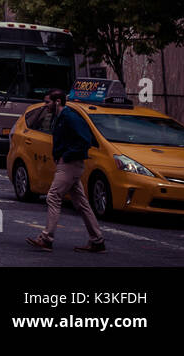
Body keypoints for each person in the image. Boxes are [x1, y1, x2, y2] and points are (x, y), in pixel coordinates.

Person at [26, 90, 106, 253]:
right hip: (69, 164)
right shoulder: (61, 117)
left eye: (47, 102)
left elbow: (85, 140)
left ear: (57, 102)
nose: (45, 105)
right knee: (82, 203)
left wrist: (66, 156)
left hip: (70, 164)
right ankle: (97, 240)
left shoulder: (70, 117)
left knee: (53, 196)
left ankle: (46, 238)